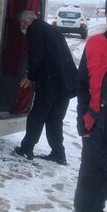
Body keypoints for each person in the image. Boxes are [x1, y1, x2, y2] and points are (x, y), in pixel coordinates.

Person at [74, 0, 107, 212]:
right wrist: (83, 123)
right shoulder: (93, 45)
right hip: (96, 143)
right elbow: (82, 86)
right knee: (86, 206)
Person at [13, 10, 78, 164]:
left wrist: (30, 76)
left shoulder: (34, 30)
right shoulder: (51, 29)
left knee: (37, 115)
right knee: (55, 119)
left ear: (25, 22)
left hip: (50, 82)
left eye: (21, 25)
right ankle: (58, 153)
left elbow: (37, 56)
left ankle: (26, 149)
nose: (22, 29)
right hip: (66, 83)